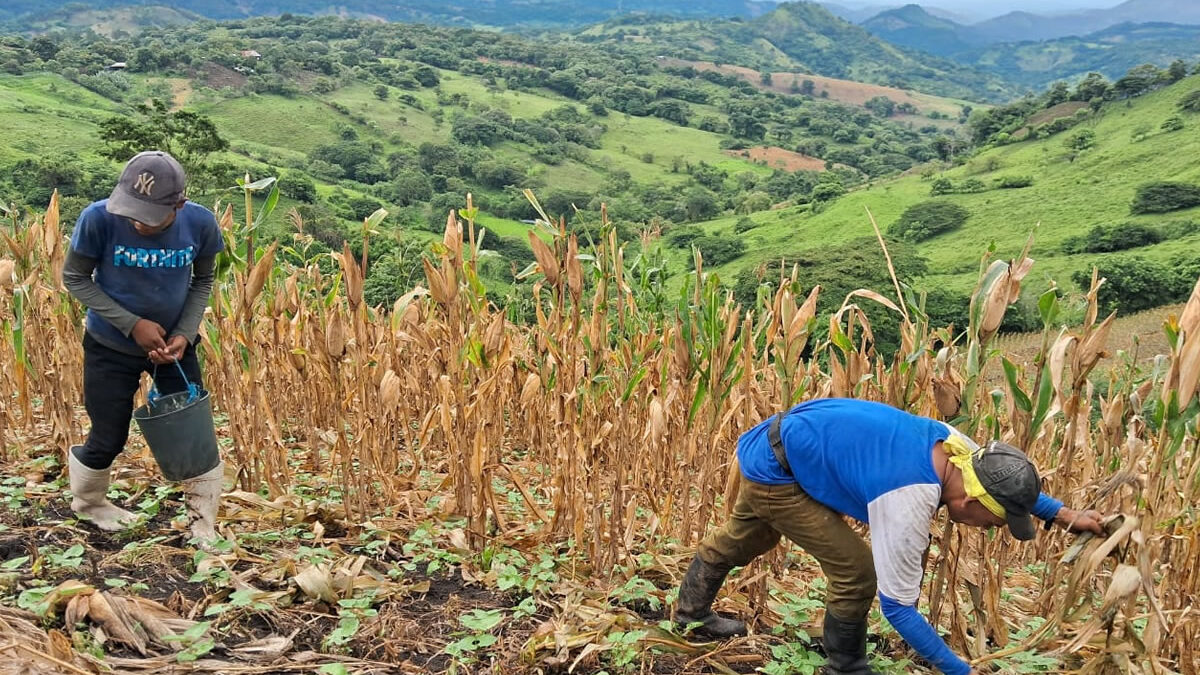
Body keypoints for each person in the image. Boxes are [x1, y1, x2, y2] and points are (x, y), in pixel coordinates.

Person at [673, 397, 1105, 675]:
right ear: (971, 503)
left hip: (794, 441)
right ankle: (845, 667)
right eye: (994, 523)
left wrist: (1064, 514)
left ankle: (690, 613)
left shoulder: (964, 453)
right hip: (778, 470)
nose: (991, 530)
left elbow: (1007, 485)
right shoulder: (909, 497)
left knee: (745, 537)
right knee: (857, 571)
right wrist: (959, 670)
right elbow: (898, 608)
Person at [62, 150, 225, 546]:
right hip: (108, 345)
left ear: (178, 205)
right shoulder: (98, 218)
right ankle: (90, 504)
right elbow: (75, 277)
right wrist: (132, 325)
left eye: (148, 216)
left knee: (194, 435)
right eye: (130, 211)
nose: (136, 221)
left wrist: (183, 334)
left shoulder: (201, 224)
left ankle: (202, 523)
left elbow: (202, 281)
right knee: (108, 435)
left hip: (175, 347)